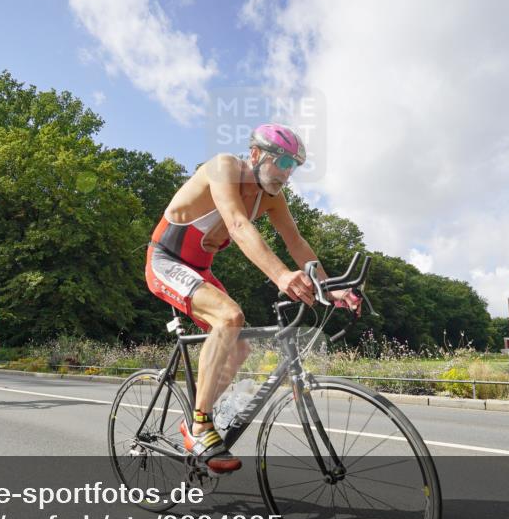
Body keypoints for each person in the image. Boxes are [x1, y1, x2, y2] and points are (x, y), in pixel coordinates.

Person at [145, 123, 360, 473]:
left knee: (240, 346)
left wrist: (328, 286)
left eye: (294, 167)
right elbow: (237, 225)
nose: (287, 175)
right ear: (257, 154)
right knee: (230, 317)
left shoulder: (272, 197)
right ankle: (199, 425)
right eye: (283, 163)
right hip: (165, 260)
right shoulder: (223, 167)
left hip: (199, 270)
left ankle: (201, 418)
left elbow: (295, 241)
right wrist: (281, 275)